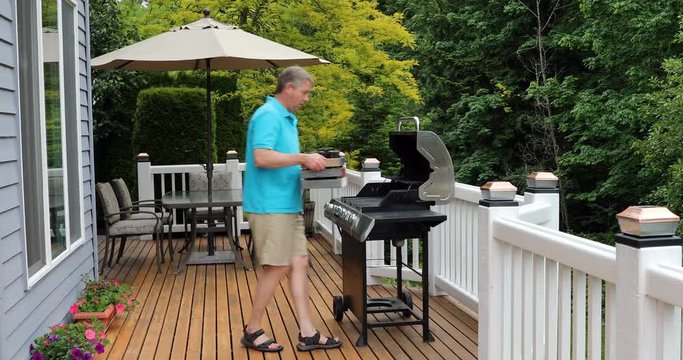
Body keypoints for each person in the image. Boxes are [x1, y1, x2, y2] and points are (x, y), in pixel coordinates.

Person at [241, 66, 343, 352]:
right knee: (278, 266)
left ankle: (307, 332)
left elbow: (283, 158)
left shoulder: (288, 119)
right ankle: (252, 328)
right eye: (305, 92)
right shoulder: (268, 116)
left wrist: (317, 167)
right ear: (289, 88)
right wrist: (302, 157)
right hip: (270, 205)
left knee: (299, 263)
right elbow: (261, 157)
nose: (306, 98)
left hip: (288, 203)